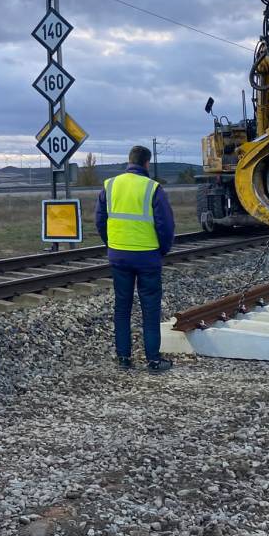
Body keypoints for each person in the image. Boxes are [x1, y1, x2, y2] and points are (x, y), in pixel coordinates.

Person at [96, 145, 175, 373]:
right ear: (147, 163)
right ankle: (153, 361)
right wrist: (162, 250)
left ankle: (124, 358)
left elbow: (100, 221)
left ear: (129, 161)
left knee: (122, 307)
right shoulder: (153, 188)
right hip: (148, 257)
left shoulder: (110, 185)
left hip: (119, 256)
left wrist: (112, 244)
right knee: (150, 309)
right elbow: (166, 225)